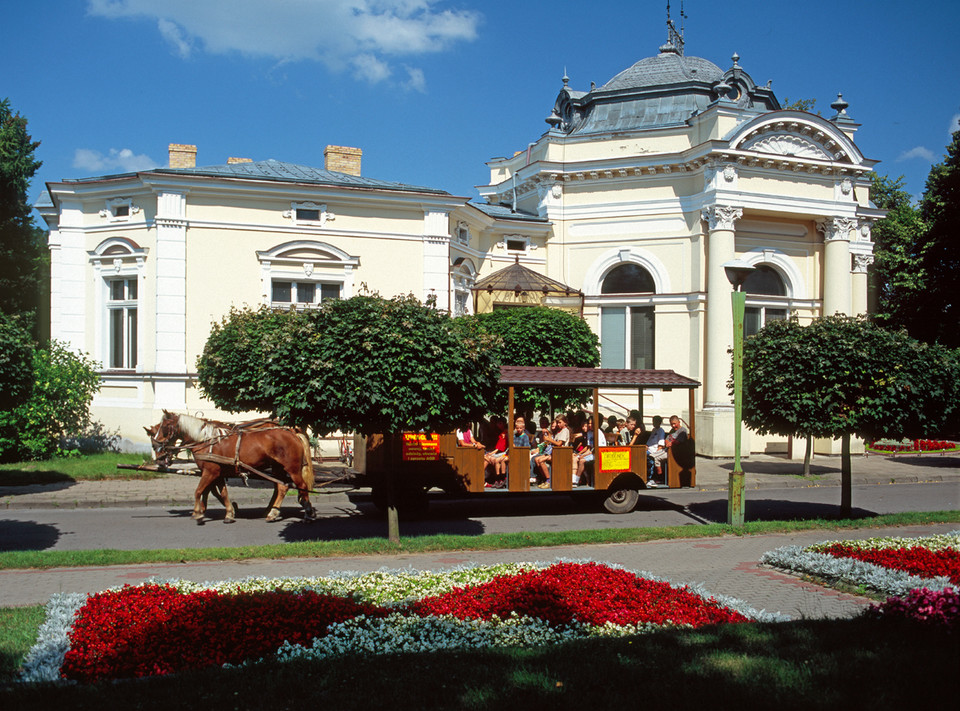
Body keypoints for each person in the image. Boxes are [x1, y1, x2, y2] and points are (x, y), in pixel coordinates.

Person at [491, 417, 530, 489]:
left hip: (518, 454)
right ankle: (498, 479)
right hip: (510, 453)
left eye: (520, 428)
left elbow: (525, 449)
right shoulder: (514, 436)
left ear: (523, 428)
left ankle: (503, 478)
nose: (519, 430)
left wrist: (515, 447)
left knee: (503, 460)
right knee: (496, 460)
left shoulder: (525, 437)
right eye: (517, 428)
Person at [537, 415, 570, 489]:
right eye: (557, 423)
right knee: (537, 459)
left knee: (541, 461)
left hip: (561, 454)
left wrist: (549, 439)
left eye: (560, 422)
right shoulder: (559, 431)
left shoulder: (565, 431)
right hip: (555, 452)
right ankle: (545, 479)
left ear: (565, 423)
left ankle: (548, 480)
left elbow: (559, 444)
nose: (558, 424)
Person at [483, 417, 508, 487]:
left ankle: (499, 479)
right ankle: (484, 478)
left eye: (500, 423)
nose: (498, 425)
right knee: (487, 458)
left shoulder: (504, 433)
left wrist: (491, 453)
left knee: (488, 458)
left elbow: (500, 448)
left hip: (503, 453)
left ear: (504, 424)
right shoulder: (500, 433)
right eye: (498, 423)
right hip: (499, 452)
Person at [572, 419, 596, 486]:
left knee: (581, 460)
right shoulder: (588, 433)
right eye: (582, 426)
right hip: (588, 452)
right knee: (574, 458)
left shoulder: (593, 433)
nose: (583, 428)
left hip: (593, 453)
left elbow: (588, 448)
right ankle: (573, 479)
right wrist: (579, 454)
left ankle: (578, 480)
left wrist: (581, 454)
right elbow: (588, 447)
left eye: (585, 426)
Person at [646, 415, 668, 487]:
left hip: (654, 451)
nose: (654, 423)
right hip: (649, 448)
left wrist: (656, 453)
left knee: (649, 458)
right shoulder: (654, 430)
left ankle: (651, 477)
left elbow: (660, 445)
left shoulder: (661, 431)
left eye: (655, 421)